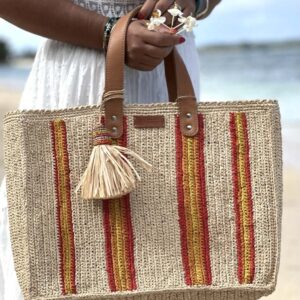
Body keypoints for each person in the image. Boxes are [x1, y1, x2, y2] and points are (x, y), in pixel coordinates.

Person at [0, 0, 220, 298]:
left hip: (166, 63)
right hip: (78, 67)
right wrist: (108, 32)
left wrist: (192, 3)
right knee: (60, 256)